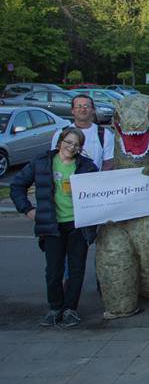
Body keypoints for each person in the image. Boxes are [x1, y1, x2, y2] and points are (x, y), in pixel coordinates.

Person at [12, 127, 98, 327]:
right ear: (60, 142)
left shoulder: (87, 167)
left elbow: (100, 193)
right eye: (68, 142)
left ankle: (70, 309)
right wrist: (28, 210)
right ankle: (55, 308)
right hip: (52, 225)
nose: (71, 147)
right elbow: (17, 186)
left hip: (78, 225)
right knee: (53, 271)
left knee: (76, 270)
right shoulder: (42, 163)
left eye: (76, 145)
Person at [50, 94, 114, 170]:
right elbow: (54, 160)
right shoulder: (60, 134)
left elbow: (108, 162)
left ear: (93, 110)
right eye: (78, 106)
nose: (82, 110)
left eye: (86, 106)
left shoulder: (105, 134)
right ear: (72, 110)